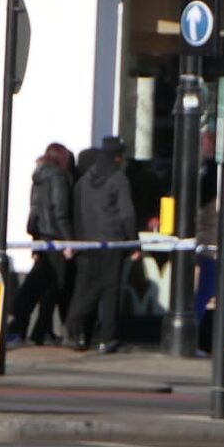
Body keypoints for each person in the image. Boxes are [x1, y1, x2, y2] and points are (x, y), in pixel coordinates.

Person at [68, 136, 137, 353]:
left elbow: (76, 213)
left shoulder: (84, 180)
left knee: (85, 288)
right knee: (109, 291)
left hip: (87, 242)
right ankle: (106, 337)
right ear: (118, 157)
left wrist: (77, 240)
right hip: (112, 243)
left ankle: (76, 329)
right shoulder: (118, 179)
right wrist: (134, 243)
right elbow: (126, 214)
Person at [9, 143, 76, 345]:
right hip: (55, 237)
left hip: (41, 236)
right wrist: (69, 241)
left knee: (39, 283)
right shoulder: (58, 177)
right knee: (53, 284)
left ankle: (29, 328)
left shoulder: (39, 177)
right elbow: (60, 211)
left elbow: (37, 209)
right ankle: (34, 330)